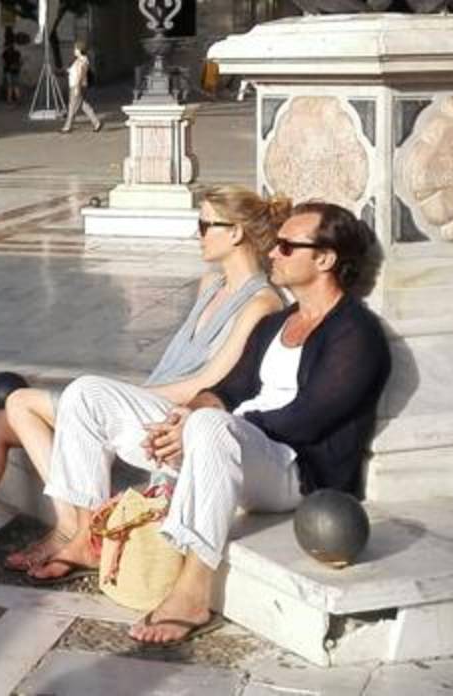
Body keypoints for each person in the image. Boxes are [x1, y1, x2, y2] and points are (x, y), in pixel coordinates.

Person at [0, 186, 291, 569]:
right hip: (147, 402)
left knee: (21, 401)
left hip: (174, 416)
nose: (196, 233)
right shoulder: (210, 283)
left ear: (235, 233)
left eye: (204, 225)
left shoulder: (260, 302)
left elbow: (205, 382)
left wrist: (124, 396)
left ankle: (71, 529)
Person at [54, 203, 390, 646]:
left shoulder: (355, 333)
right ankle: (86, 537)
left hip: (293, 471)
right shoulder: (275, 324)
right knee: (86, 393)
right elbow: (228, 388)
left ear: (325, 259)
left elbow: (308, 421)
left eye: (287, 247)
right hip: (227, 444)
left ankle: (193, 592)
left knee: (211, 426)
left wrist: (208, 423)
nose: (273, 254)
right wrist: (184, 419)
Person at [60, 41, 101, 134]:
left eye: (75, 49)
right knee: (83, 105)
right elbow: (74, 72)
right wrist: (66, 70)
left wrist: (77, 87)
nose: (74, 50)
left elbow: (80, 75)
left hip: (76, 85)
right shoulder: (79, 60)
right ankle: (97, 123)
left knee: (72, 107)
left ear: (79, 50)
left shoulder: (82, 60)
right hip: (77, 85)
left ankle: (67, 127)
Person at [1, 37, 22, 106]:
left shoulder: (5, 53)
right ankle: (18, 100)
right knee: (16, 86)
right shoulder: (17, 53)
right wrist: (18, 67)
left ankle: (9, 100)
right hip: (15, 71)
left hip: (8, 71)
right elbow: (20, 62)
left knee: (10, 86)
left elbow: (3, 63)